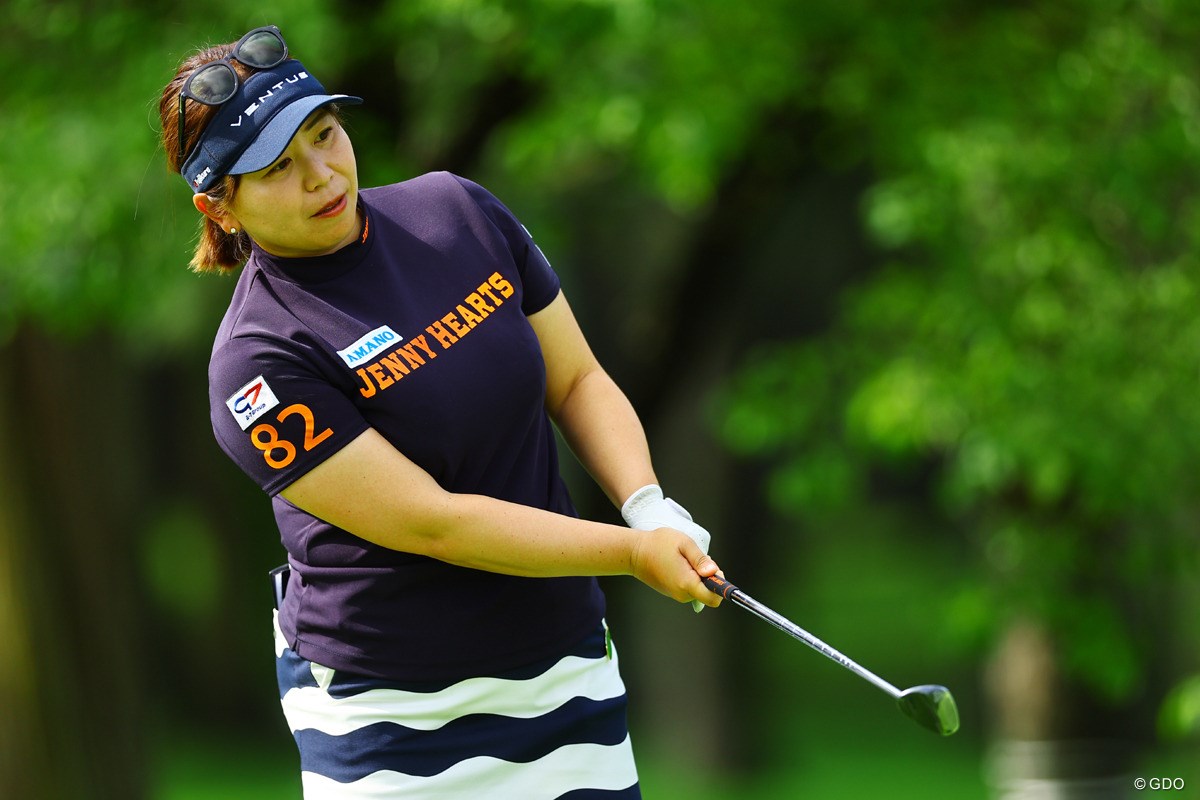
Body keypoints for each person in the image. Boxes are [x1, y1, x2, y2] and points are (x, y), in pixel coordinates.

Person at [158, 25, 722, 799]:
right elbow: (434, 523)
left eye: (325, 135)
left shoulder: (458, 212)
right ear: (220, 208)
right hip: (390, 714)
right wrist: (631, 552)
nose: (322, 175)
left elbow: (577, 381)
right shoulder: (255, 364)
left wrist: (648, 505)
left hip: (562, 668)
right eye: (279, 167)